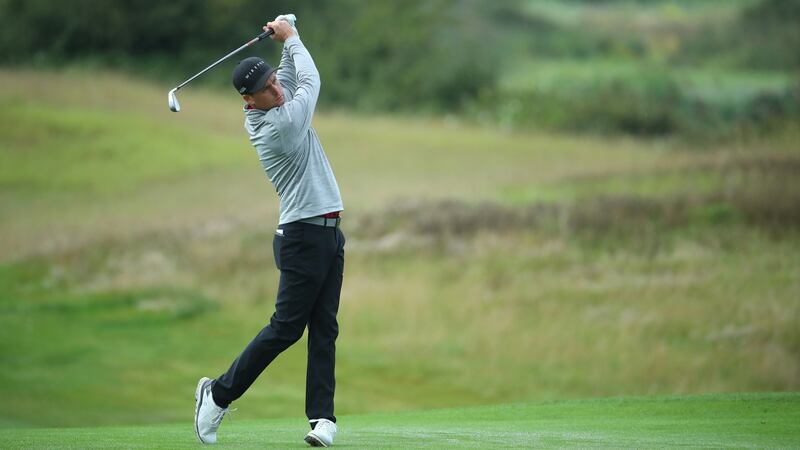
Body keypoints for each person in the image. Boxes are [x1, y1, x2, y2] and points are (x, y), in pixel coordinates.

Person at [194, 15, 345, 447]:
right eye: (267, 89)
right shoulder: (279, 126)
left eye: (275, 81)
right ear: (249, 100)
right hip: (302, 237)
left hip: (328, 233)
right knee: (286, 329)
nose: (277, 90)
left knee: (325, 328)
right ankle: (217, 395)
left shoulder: (276, 101)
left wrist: (285, 34)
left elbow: (292, 73)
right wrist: (291, 36)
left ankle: (322, 419)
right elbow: (311, 81)